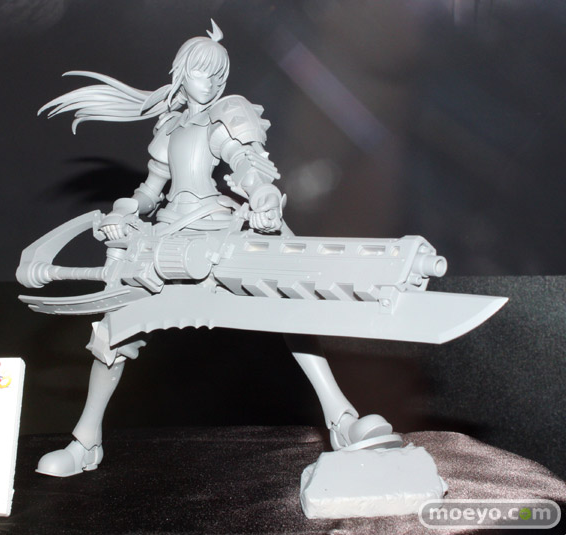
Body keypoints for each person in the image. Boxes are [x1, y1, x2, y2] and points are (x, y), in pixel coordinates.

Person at [34, 21, 399, 477]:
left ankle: (342, 420)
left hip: (218, 234)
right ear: (181, 72)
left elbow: (246, 162)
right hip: (167, 240)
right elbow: (149, 191)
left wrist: (263, 195)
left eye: (218, 74)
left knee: (287, 306)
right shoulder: (169, 127)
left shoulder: (226, 115)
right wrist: (125, 211)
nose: (211, 82)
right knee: (113, 330)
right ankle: (86, 442)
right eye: (202, 72)